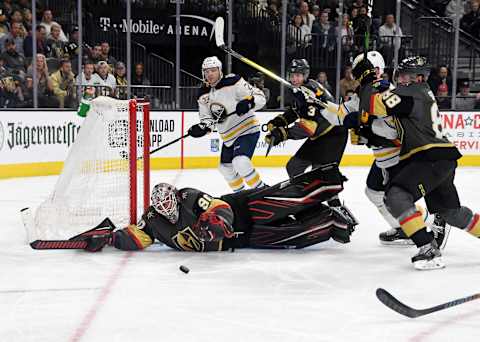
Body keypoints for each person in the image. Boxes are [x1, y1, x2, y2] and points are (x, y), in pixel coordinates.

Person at [349, 54, 480, 270]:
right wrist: (368, 130)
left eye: (406, 76)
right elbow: (390, 123)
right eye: (400, 75)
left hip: (429, 157)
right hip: (443, 157)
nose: (400, 79)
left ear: (420, 77)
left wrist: (368, 81)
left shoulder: (413, 92)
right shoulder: (418, 93)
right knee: (451, 213)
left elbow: (375, 104)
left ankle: (428, 249)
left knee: (396, 196)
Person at [78, 165, 358, 252]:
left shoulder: (188, 195)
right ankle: (334, 220)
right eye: (160, 207)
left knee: (285, 200)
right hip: (241, 241)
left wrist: (215, 220)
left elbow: (219, 206)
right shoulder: (152, 220)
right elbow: (138, 236)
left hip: (242, 210)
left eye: (168, 203)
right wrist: (112, 239)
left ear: (175, 197)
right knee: (292, 236)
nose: (166, 210)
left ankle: (328, 186)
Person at [265, 58, 347, 210]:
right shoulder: (300, 90)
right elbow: (296, 111)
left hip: (333, 135)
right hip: (319, 135)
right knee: (294, 166)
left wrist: (282, 134)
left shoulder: (310, 92)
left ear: (305, 75)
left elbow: (308, 127)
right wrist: (279, 121)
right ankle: (304, 201)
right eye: (292, 75)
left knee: (321, 175)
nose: (294, 78)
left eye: (298, 75)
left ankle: (337, 210)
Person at [190, 56, 266, 192]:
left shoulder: (233, 82)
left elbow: (260, 97)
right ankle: (241, 196)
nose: (210, 74)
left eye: (213, 70)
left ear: (220, 71)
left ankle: (262, 191)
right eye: (207, 71)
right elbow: (208, 119)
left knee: (240, 162)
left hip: (247, 130)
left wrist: (249, 103)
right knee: (224, 168)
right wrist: (203, 127)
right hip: (229, 138)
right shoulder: (203, 94)